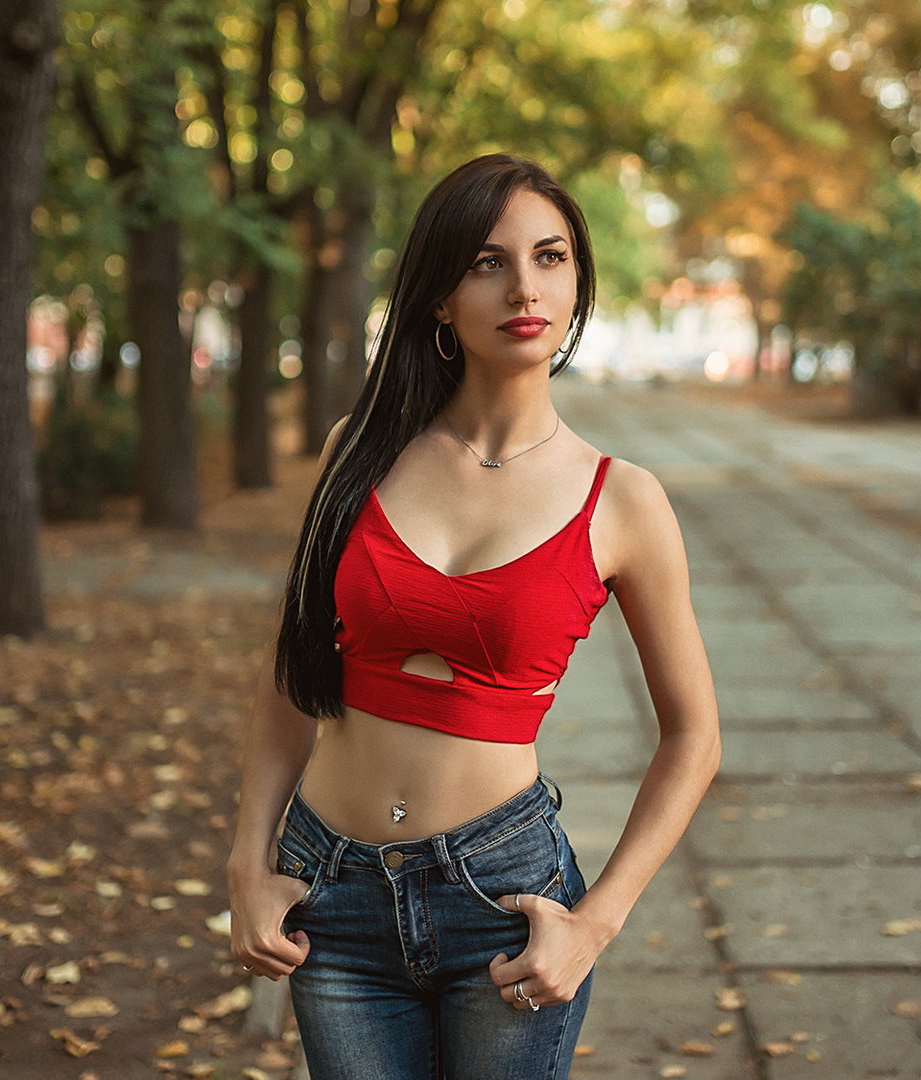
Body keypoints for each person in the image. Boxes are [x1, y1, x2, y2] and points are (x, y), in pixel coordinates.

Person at [228, 153, 720, 1080]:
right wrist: (246, 865)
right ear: (441, 296)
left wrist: (596, 924)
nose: (524, 285)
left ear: (577, 283)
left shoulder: (623, 501)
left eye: (551, 256)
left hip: (500, 902)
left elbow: (694, 737)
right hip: (329, 892)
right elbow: (293, 674)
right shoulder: (357, 452)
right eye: (488, 261)